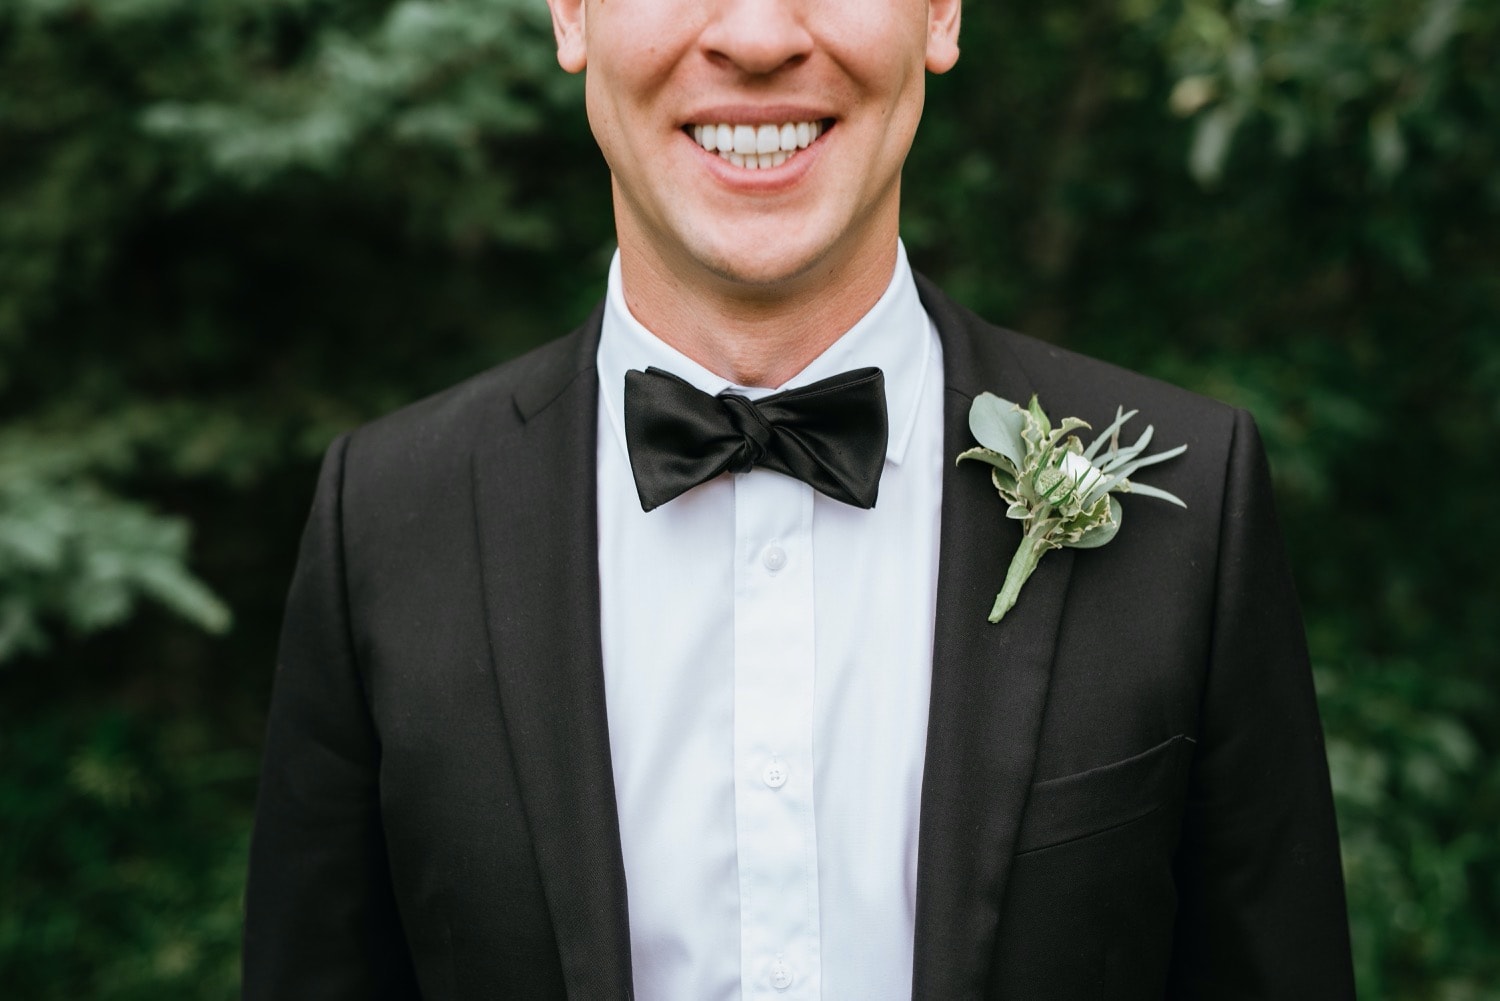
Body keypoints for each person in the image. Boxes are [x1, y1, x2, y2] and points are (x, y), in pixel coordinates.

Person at [242, 0, 1355, 997]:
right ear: (571, 12)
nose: (760, 35)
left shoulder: (1189, 503)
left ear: (941, 13)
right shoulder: (383, 519)